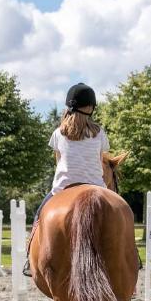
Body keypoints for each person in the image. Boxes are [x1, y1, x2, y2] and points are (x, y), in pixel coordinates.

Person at [22, 82, 110, 277]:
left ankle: (29, 259)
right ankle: (133, 255)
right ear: (91, 107)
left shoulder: (58, 133)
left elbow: (58, 162)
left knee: (39, 217)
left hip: (62, 188)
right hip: (97, 187)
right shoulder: (99, 133)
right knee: (122, 212)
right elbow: (99, 162)